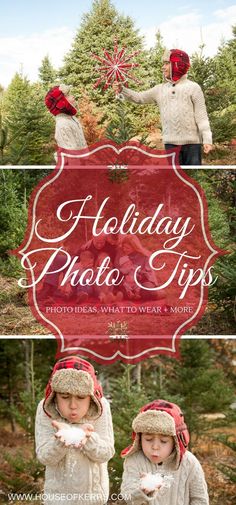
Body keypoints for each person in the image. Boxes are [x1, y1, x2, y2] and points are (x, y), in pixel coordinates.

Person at [35, 356, 115, 505]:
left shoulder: (102, 407)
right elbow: (44, 457)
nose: (73, 405)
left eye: (80, 397)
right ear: (55, 394)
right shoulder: (45, 409)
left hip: (94, 499)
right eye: (65, 397)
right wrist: (61, 440)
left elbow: (107, 452)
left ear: (91, 396)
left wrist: (88, 438)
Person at [119, 49, 213, 166]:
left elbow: (201, 116)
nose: (163, 67)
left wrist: (207, 139)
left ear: (177, 64)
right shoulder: (160, 89)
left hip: (192, 145)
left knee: (193, 179)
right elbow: (139, 98)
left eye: (166, 63)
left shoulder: (193, 88)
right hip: (170, 145)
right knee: (175, 180)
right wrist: (121, 90)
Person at [120, 399, 209, 505]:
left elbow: (200, 499)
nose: (155, 446)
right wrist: (140, 492)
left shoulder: (189, 463)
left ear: (175, 442)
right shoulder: (134, 460)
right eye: (148, 439)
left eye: (164, 441)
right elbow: (127, 496)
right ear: (139, 438)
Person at [45, 84, 87, 150]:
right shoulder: (63, 124)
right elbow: (71, 154)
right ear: (61, 102)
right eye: (68, 95)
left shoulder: (71, 118)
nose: (73, 96)